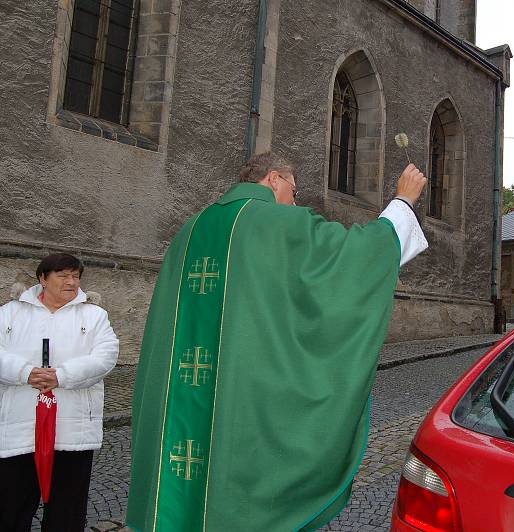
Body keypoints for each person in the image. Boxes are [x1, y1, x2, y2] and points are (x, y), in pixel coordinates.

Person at [127, 151, 429, 531]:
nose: (295, 200)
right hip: (243, 402)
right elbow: (355, 259)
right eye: (293, 189)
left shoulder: (191, 229)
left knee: (182, 498)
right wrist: (403, 202)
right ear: (273, 179)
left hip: (179, 399)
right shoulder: (278, 223)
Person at [0, 253, 120, 531]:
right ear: (43, 279)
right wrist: (24, 372)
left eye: (76, 276)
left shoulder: (94, 316)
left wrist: (62, 376)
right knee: (11, 507)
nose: (71, 282)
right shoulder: (9, 314)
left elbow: (105, 356)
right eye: (63, 275)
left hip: (72, 431)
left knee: (66, 511)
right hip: (18, 428)